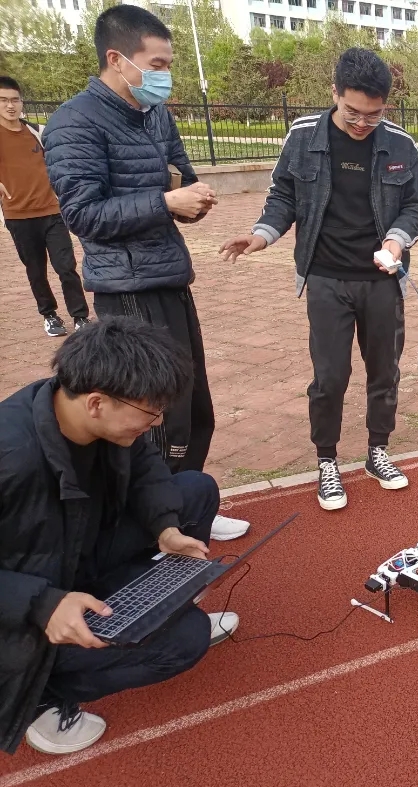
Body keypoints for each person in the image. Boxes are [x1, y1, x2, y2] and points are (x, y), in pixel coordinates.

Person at [42, 5, 248, 543]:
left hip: (170, 276)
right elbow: (82, 214)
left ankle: (189, 502)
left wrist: (193, 200)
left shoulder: (155, 114)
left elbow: (181, 175)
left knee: (193, 404)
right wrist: (163, 202)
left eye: (169, 64)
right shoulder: (74, 122)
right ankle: (157, 526)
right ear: (117, 59)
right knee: (153, 415)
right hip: (127, 289)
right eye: (156, 64)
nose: (165, 75)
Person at [0, 318, 240, 756]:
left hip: (75, 550)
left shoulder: (86, 409)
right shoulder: (11, 458)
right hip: (25, 606)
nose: (157, 421)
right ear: (96, 403)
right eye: (150, 412)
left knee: (196, 490)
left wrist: (166, 528)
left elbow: (146, 467)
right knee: (185, 642)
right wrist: (41, 604)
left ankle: (157, 605)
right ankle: (41, 698)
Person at [218, 48, 418, 511]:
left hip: (381, 280)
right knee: (330, 377)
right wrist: (262, 235)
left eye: (373, 114)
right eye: (353, 112)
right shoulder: (303, 136)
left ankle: (378, 451)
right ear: (334, 93)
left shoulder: (399, 143)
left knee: (385, 371)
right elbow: (283, 195)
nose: (362, 123)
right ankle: (327, 461)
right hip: (326, 278)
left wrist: (396, 241)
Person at [0, 75, 90, 337]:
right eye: (3, 100)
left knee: (66, 267)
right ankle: (49, 315)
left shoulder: (37, 132)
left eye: (14, 100)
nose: (10, 106)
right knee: (36, 270)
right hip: (18, 215)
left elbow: (62, 160)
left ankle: (80, 316)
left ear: (21, 102)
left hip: (52, 211)